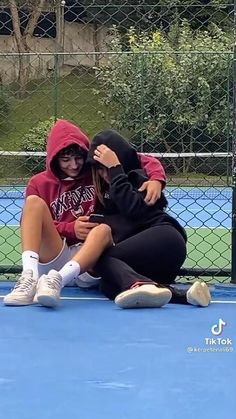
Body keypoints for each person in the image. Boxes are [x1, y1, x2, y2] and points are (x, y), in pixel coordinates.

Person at [3, 119, 166, 306]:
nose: (73, 165)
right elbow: (33, 224)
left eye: (78, 158)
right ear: (54, 158)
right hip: (57, 253)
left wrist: (156, 178)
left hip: (91, 259)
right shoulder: (39, 183)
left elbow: (138, 158)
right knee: (33, 203)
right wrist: (70, 228)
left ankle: (57, 282)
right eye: (65, 160)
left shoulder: (93, 170)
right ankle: (28, 278)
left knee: (104, 230)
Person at [82, 128, 211, 309]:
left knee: (100, 259)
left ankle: (139, 283)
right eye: (101, 170)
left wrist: (115, 170)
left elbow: (133, 208)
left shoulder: (138, 178)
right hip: (148, 262)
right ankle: (185, 296)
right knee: (109, 285)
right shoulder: (105, 194)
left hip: (165, 239)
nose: (105, 175)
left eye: (107, 169)